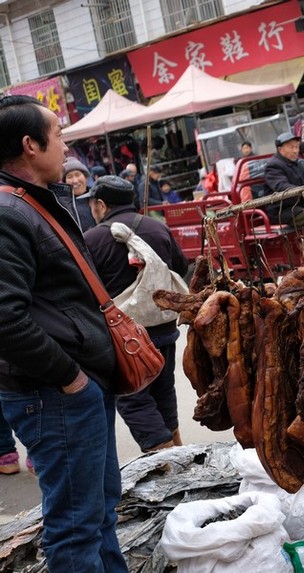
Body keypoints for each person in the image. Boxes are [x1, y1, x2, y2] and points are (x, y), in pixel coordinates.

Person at [0, 95, 128, 571]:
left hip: (78, 388)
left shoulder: (35, 202)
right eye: (59, 135)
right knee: (75, 528)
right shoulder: (9, 213)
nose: (66, 144)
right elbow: (4, 319)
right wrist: (71, 379)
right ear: (30, 145)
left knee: (99, 513)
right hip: (55, 394)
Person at [81, 175, 188, 454]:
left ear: (101, 205)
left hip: (125, 335)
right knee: (164, 388)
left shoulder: (93, 239)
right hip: (164, 328)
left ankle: (164, 456)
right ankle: (178, 449)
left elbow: (83, 287)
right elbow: (180, 264)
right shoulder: (156, 227)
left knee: (132, 397)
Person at [263, 130, 304, 227]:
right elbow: (282, 186)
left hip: (299, 205)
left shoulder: (299, 163)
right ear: (280, 149)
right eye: (291, 147)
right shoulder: (273, 166)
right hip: (282, 210)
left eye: (296, 147)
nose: (295, 150)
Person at [63, 157, 98, 231]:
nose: (75, 181)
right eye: (70, 177)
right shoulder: (64, 206)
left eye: (77, 175)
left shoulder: (98, 196)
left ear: (86, 177)